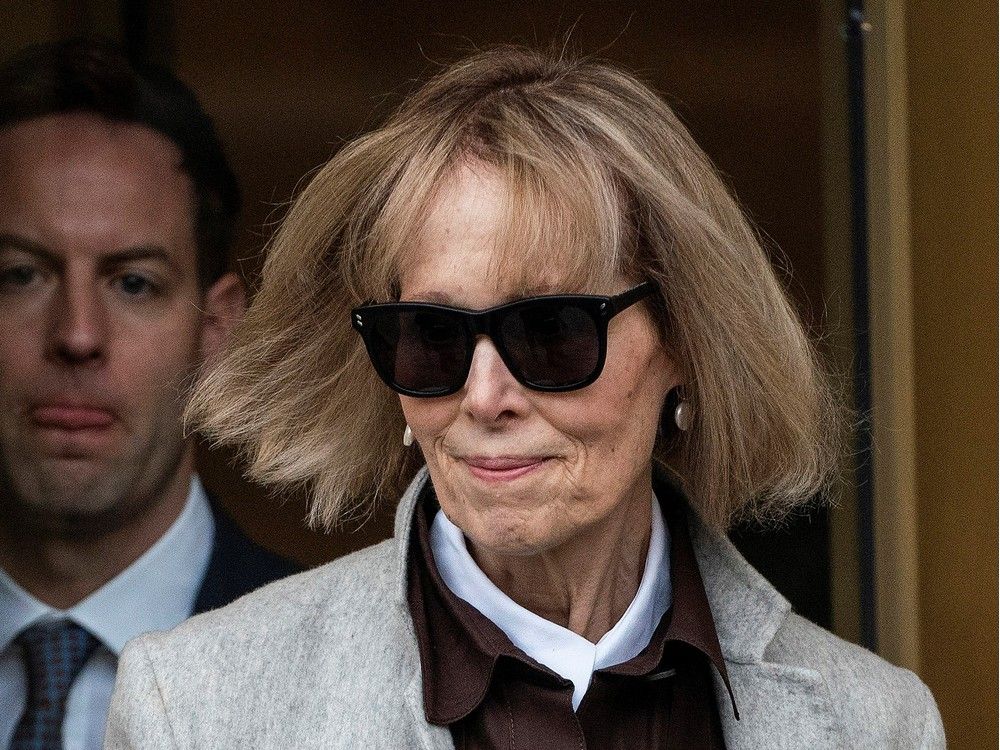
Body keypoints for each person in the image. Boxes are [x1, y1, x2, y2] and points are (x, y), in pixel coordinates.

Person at [105, 46, 944, 749]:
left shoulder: (874, 722)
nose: (483, 395)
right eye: (431, 337)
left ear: (685, 341)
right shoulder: (196, 710)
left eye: (551, 333)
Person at [0, 38, 298, 750]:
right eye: (20, 274)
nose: (76, 334)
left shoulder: (343, 667)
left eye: (133, 283)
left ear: (216, 328)